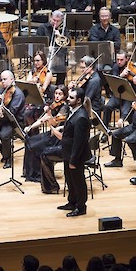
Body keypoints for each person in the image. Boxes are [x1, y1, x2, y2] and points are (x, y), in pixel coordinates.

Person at [56, 88, 91, 217]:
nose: (68, 99)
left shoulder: (81, 117)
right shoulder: (73, 111)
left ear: (79, 100)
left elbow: (79, 142)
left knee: (78, 181)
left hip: (75, 155)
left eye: (71, 98)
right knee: (69, 179)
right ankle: (72, 202)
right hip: (68, 152)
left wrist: (73, 160)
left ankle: (81, 207)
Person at [23, 85, 68, 186]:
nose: (57, 96)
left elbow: (54, 123)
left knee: (35, 146)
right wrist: (30, 127)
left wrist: (49, 114)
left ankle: (38, 174)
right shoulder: (54, 104)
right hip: (51, 133)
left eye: (60, 94)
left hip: (58, 136)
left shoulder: (64, 108)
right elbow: (42, 120)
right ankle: (29, 172)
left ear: (64, 96)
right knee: (29, 141)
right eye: (56, 93)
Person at [102, 50, 136, 138]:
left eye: (121, 60)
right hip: (118, 95)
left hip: (129, 96)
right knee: (107, 107)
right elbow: (114, 81)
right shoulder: (115, 67)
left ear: (127, 59)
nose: (119, 62)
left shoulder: (132, 67)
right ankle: (105, 131)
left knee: (125, 113)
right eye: (117, 59)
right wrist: (121, 75)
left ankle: (125, 132)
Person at [36, 10, 69, 86]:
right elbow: (38, 44)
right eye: (54, 20)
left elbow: (68, 43)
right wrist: (46, 49)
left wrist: (60, 36)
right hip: (44, 57)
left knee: (62, 67)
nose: (55, 22)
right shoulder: (42, 28)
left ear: (61, 21)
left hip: (58, 57)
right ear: (51, 18)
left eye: (58, 21)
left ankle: (59, 87)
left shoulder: (64, 30)